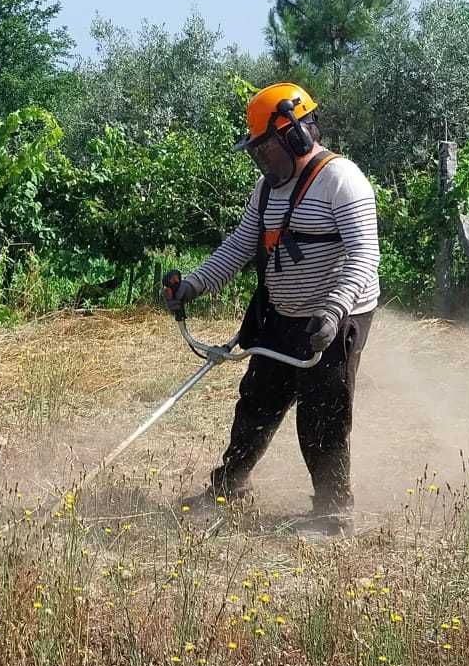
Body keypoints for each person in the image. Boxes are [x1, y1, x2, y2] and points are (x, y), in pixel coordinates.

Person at [161, 82, 379, 530]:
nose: (260, 159)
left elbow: (364, 255)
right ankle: (229, 488)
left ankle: (334, 512)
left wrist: (334, 310)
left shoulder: (343, 180)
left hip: (337, 314)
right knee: (257, 401)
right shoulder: (265, 189)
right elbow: (241, 244)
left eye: (265, 148)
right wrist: (196, 284)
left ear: (295, 134)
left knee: (322, 412)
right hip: (281, 311)